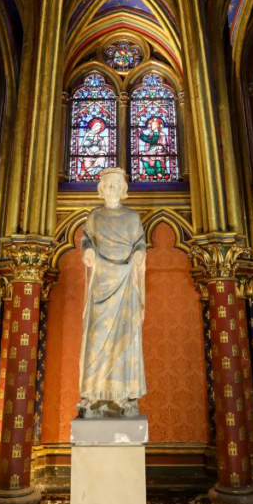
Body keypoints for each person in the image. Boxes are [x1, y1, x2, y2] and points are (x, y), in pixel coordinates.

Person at [78, 167, 146, 417]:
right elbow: (86, 239)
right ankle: (95, 396)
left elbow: (139, 242)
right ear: (102, 189)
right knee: (97, 340)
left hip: (126, 281)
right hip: (101, 285)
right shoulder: (94, 217)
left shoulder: (132, 217)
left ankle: (123, 396)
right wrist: (87, 251)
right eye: (109, 184)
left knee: (124, 339)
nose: (113, 187)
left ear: (124, 189)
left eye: (118, 184)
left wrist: (138, 254)